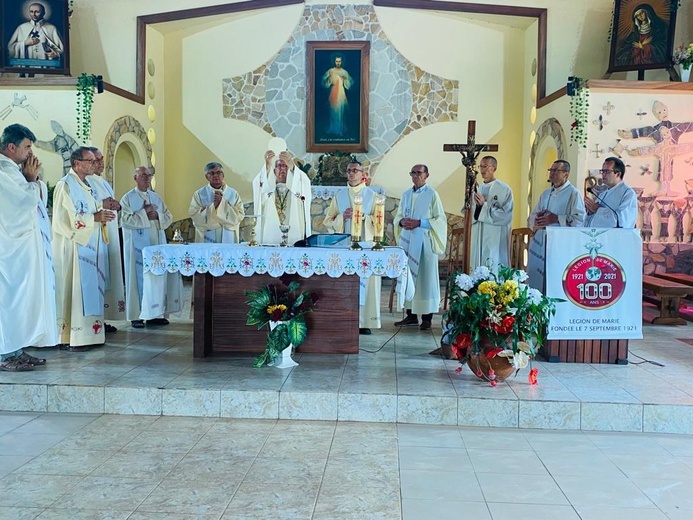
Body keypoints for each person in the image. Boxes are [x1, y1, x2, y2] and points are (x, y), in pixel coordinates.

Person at [0, 124, 57, 371]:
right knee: (8, 300)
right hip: (8, 252)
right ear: (11, 147)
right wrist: (32, 180)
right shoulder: (3, 172)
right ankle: (4, 354)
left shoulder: (13, 171)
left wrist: (31, 181)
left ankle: (16, 348)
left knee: (19, 301)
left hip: (20, 251)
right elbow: (20, 205)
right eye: (27, 147)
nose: (30, 153)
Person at [52, 147, 115, 351]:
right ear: (77, 163)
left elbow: (88, 207)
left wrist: (100, 213)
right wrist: (94, 218)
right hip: (73, 247)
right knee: (75, 290)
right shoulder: (65, 185)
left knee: (87, 288)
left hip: (88, 245)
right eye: (89, 161)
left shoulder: (85, 184)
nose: (94, 164)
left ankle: (89, 335)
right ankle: (71, 336)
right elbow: (63, 221)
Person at [323, 160, 381, 335]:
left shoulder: (372, 196)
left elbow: (378, 222)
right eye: (349, 170)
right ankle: (344, 317)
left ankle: (365, 321)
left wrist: (364, 217)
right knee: (344, 282)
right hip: (345, 246)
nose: (351, 173)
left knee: (367, 283)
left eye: (355, 170)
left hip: (365, 246)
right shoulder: (339, 196)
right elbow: (328, 221)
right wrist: (342, 217)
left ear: (362, 173)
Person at [120, 166, 182, 328]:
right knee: (137, 278)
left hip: (156, 245)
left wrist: (158, 216)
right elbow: (124, 220)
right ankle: (137, 315)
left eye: (149, 176)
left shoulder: (156, 197)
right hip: (136, 248)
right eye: (143, 175)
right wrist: (144, 214)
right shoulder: (127, 198)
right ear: (135, 178)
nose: (147, 179)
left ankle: (155, 313)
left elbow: (168, 217)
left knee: (157, 277)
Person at [393, 164, 447, 331]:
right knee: (408, 276)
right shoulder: (406, 194)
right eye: (413, 173)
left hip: (424, 242)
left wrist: (420, 223)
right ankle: (410, 315)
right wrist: (402, 222)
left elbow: (440, 219)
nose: (416, 176)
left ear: (426, 175)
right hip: (408, 241)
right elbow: (399, 215)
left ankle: (427, 318)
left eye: (419, 173)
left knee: (425, 279)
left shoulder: (432, 194)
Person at [527, 160, 585, 291]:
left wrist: (556, 218)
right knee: (537, 280)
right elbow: (532, 215)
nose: (551, 173)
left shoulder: (573, 194)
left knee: (553, 280)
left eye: (555, 170)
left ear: (566, 174)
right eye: (551, 170)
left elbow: (580, 220)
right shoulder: (546, 193)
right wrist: (537, 219)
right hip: (541, 242)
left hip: (560, 244)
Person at [86, 147, 125, 331]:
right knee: (96, 278)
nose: (101, 163)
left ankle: (103, 318)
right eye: (97, 159)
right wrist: (104, 205)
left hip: (108, 234)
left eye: (102, 159)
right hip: (95, 235)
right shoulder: (84, 182)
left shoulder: (103, 182)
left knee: (107, 277)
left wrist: (116, 205)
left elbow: (111, 204)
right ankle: (95, 321)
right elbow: (89, 207)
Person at [252, 150, 312, 245]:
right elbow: (259, 183)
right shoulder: (269, 188)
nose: (282, 169)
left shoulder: (296, 187)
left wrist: (292, 166)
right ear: (274, 170)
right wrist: (267, 165)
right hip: (271, 233)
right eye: (279, 166)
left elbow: (304, 181)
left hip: (293, 233)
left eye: (285, 166)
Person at [469, 156, 514, 273]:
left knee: (494, 265)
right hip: (478, 234)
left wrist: (484, 206)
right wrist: (476, 207)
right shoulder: (476, 188)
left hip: (495, 235)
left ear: (494, 168)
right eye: (481, 166)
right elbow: (468, 212)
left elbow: (506, 215)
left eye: (485, 166)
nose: (482, 169)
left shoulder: (504, 189)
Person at [189, 162, 245, 243]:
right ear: (206, 177)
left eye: (218, 173)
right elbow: (194, 215)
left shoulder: (233, 193)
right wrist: (213, 206)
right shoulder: (199, 194)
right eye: (211, 173)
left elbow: (240, 215)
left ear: (223, 175)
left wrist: (222, 204)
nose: (215, 176)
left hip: (228, 234)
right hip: (207, 235)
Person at [584, 157, 638, 229]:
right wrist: (590, 213)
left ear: (618, 174)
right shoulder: (602, 194)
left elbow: (623, 221)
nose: (603, 174)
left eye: (607, 171)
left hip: (616, 237)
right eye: (602, 171)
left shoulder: (628, 193)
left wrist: (598, 210)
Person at [322, 55, 353, 136]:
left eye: (339, 61)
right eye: (337, 61)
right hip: (333, 92)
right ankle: (332, 128)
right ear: (334, 61)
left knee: (340, 110)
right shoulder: (331, 71)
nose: (338, 63)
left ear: (341, 62)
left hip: (341, 93)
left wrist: (346, 79)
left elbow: (349, 83)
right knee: (332, 110)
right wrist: (328, 78)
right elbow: (324, 80)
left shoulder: (344, 72)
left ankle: (339, 130)